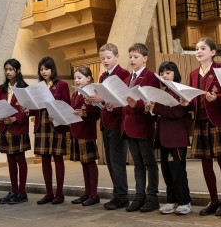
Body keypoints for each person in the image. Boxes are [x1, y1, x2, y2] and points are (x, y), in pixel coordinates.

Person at [189, 38, 221, 216]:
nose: (199, 51)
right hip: (200, 121)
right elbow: (193, 96)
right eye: (196, 48)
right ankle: (214, 200)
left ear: (213, 52)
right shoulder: (193, 73)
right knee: (205, 163)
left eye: (203, 48)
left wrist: (218, 97)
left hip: (218, 120)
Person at [90, 43, 131, 210]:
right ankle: (117, 194)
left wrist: (104, 100)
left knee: (117, 161)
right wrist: (94, 101)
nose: (105, 61)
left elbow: (125, 100)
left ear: (116, 57)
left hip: (118, 122)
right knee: (110, 161)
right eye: (102, 59)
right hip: (106, 122)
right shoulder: (102, 77)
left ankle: (122, 197)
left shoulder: (124, 74)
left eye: (108, 58)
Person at [122, 43, 161, 212]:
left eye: (135, 57)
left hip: (143, 125)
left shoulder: (150, 77)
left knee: (149, 163)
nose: (132, 59)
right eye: (130, 56)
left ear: (145, 58)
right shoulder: (126, 79)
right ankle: (139, 196)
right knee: (137, 164)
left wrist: (136, 105)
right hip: (129, 126)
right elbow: (124, 103)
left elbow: (153, 103)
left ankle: (152, 197)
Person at [152, 61, 193, 215]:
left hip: (176, 138)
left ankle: (184, 202)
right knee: (167, 172)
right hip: (163, 138)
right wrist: (152, 108)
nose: (164, 75)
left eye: (168, 72)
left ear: (175, 73)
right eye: (162, 73)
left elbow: (176, 113)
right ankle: (171, 201)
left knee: (178, 172)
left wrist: (156, 107)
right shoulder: (165, 93)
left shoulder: (180, 92)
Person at [32, 57, 72, 205]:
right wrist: (27, 107)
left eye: (46, 69)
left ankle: (59, 193)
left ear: (52, 69)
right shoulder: (39, 86)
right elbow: (35, 106)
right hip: (42, 124)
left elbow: (67, 104)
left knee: (58, 158)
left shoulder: (61, 85)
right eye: (41, 69)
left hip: (56, 125)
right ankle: (48, 193)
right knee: (45, 159)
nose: (44, 72)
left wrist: (56, 113)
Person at [0, 59, 32, 204]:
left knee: (20, 160)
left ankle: (22, 192)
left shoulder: (25, 88)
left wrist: (15, 119)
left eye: (11, 69)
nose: (8, 72)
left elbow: (27, 109)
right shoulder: (2, 88)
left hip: (18, 128)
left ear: (17, 70)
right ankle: (14, 190)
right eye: (6, 69)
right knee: (10, 161)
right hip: (5, 128)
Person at [68, 67, 102, 206]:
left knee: (90, 163)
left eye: (80, 78)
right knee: (83, 163)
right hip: (76, 131)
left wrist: (85, 113)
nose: (76, 80)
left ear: (88, 78)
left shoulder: (92, 93)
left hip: (86, 131)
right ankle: (87, 193)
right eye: (75, 78)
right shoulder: (75, 94)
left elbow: (97, 113)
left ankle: (94, 194)